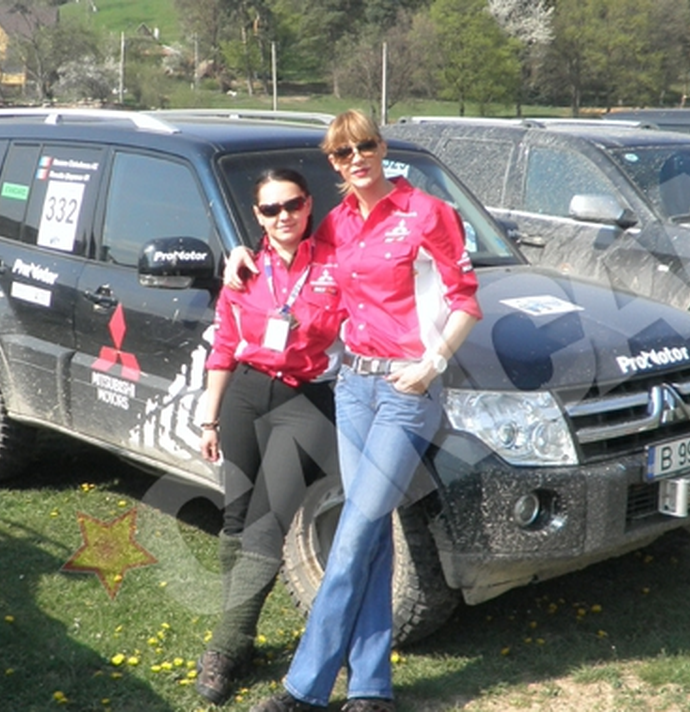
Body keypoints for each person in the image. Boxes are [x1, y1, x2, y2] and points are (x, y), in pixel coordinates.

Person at [234, 111, 482, 712]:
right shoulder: (337, 224)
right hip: (353, 387)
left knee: (352, 536)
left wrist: (431, 366)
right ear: (334, 163)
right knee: (371, 536)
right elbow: (294, 262)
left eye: (364, 145)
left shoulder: (426, 213)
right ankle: (371, 688)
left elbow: (465, 301)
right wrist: (240, 254)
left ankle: (304, 688)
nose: (356, 159)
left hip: (406, 392)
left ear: (381, 146)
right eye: (342, 153)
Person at [193, 168, 343, 705]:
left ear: (309, 205)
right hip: (246, 393)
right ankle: (241, 636)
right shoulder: (245, 270)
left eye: (293, 205)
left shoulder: (335, 264)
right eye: (272, 209)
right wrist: (210, 417)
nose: (284, 216)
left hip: (308, 401)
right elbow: (224, 345)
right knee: (236, 517)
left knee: (264, 525)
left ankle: (224, 648)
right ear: (257, 216)